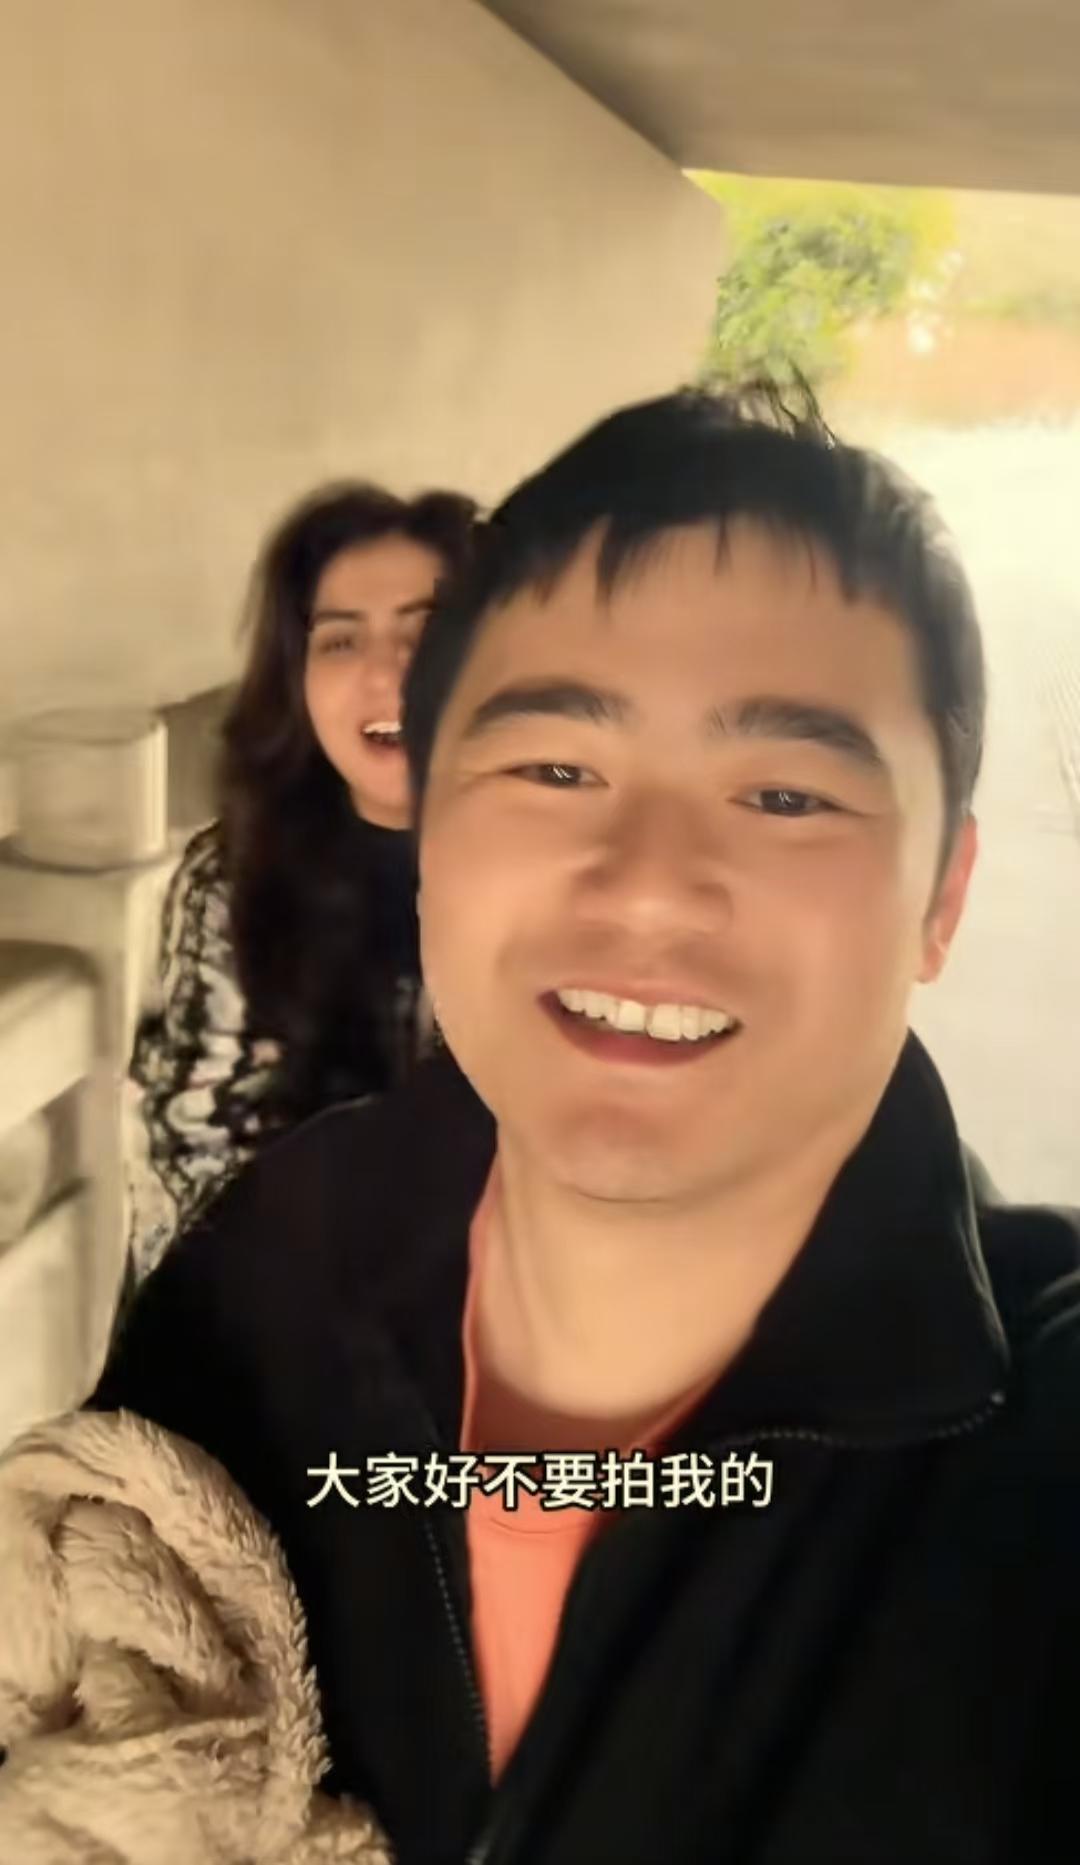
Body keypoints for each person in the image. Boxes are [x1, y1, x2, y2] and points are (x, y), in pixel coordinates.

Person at [88, 385, 1079, 1863]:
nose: (649, 885)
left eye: (786, 794)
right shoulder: (251, 1291)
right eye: (555, 768)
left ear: (942, 897)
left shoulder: (1037, 1465)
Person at [125, 480, 477, 1279]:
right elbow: (199, 1159)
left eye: (424, 633)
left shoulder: (567, 863)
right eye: (341, 642)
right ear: (298, 680)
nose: (385, 675)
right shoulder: (235, 879)